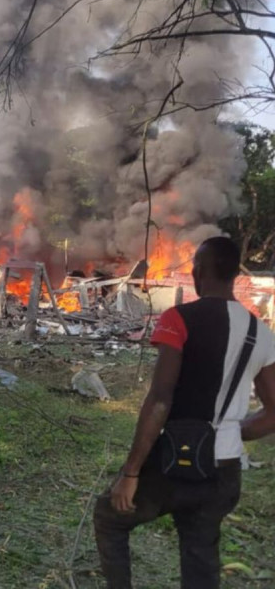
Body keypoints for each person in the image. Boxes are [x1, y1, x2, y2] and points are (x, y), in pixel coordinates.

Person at [93, 237, 275, 589]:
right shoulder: (262, 333)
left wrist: (131, 472)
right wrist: (233, 434)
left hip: (177, 465)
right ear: (235, 274)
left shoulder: (178, 318)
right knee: (200, 554)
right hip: (224, 474)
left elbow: (160, 400)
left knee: (110, 516)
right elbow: (273, 413)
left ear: (199, 271)